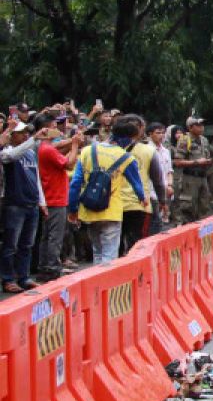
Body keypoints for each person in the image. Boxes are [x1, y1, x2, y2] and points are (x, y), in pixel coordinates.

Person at [68, 131, 147, 266]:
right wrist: (142, 198)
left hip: (89, 210)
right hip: (111, 212)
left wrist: (73, 208)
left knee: (97, 252)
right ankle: (106, 285)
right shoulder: (125, 157)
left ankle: (97, 285)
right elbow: (136, 182)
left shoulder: (87, 151)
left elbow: (75, 183)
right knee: (109, 255)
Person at [1, 121, 51, 291]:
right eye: (21, 133)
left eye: (26, 132)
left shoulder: (30, 154)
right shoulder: (7, 151)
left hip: (31, 204)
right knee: (11, 245)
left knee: (26, 244)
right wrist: (34, 139)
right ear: (12, 135)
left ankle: (24, 277)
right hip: (15, 204)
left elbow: (35, 178)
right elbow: (11, 156)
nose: (25, 135)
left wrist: (42, 201)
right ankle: (8, 279)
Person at [35, 113, 81, 279]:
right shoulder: (47, 149)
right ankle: (52, 267)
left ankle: (45, 266)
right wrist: (75, 145)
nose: (57, 130)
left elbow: (60, 150)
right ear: (46, 130)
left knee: (48, 236)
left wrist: (71, 143)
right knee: (55, 235)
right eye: (54, 127)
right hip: (55, 196)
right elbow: (69, 164)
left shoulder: (45, 148)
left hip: (51, 196)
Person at [115, 115, 162, 254]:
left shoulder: (106, 148)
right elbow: (158, 180)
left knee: (114, 247)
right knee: (137, 246)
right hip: (140, 205)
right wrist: (163, 200)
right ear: (140, 129)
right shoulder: (149, 151)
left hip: (113, 205)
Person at [173, 117, 213, 223]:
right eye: (198, 125)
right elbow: (178, 162)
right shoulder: (185, 140)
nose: (201, 128)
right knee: (188, 209)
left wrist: (208, 161)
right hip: (190, 178)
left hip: (203, 177)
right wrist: (197, 162)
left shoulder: (204, 140)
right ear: (190, 128)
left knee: (205, 207)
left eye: (202, 125)